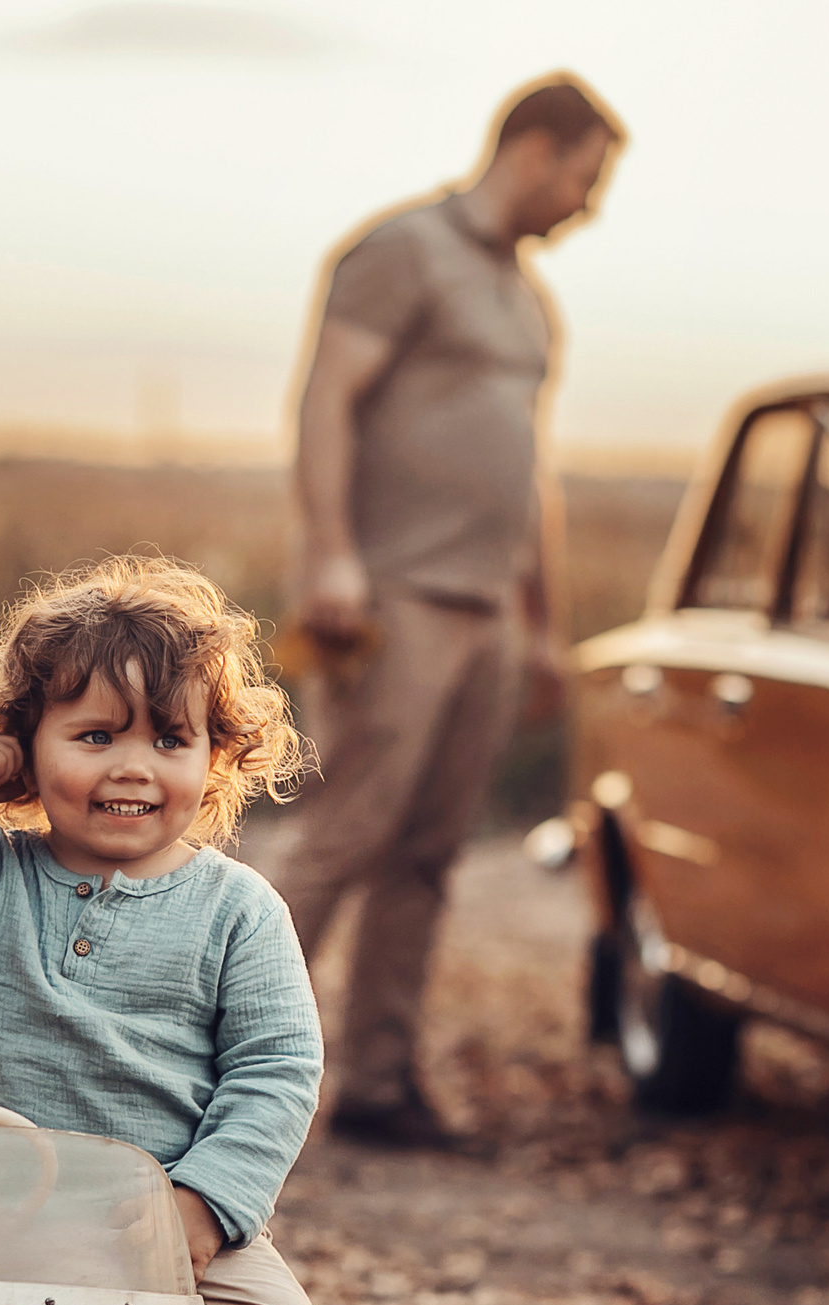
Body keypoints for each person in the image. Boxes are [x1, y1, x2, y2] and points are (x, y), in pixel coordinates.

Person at [0, 556, 346, 1305]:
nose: (133, 765)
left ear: (215, 756)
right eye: (96, 736)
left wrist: (206, 1207)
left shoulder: (239, 909)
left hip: (170, 1225)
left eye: (170, 739)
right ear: (24, 747)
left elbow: (276, 1072)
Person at [269, 72, 624, 1151]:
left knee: (428, 853)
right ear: (531, 148)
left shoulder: (529, 303)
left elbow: (531, 476)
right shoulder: (401, 253)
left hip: (487, 615)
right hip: (390, 595)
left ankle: (377, 1083)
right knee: (347, 833)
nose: (587, 205)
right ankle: (191, 1068)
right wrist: (332, 553)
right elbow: (324, 399)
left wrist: (546, 626)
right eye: (584, 176)